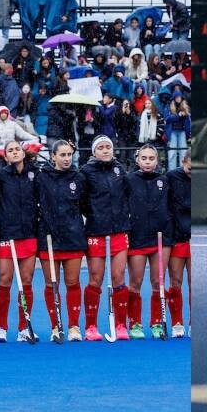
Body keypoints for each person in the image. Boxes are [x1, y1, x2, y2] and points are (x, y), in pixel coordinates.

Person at [35, 140, 87, 341]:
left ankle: (74, 326)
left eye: (69, 155)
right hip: (48, 237)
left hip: (72, 237)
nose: (66, 159)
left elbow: (85, 206)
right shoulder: (41, 177)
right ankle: (55, 326)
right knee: (51, 285)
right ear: (53, 156)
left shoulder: (79, 178)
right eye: (62, 155)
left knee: (72, 282)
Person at [81, 135, 131, 341]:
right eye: (100, 148)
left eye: (108, 147)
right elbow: (82, 201)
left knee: (119, 277)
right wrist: (95, 215)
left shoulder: (120, 170)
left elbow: (127, 196)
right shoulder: (86, 172)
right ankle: (90, 327)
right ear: (94, 152)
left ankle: (121, 324)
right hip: (96, 232)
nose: (105, 150)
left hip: (119, 231)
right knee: (96, 278)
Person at [125, 145, 173, 340]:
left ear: (157, 160)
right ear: (137, 160)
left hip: (161, 238)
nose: (147, 161)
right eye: (143, 158)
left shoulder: (164, 180)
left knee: (158, 282)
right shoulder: (128, 180)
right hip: (137, 238)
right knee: (135, 282)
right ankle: (134, 323)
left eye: (151, 158)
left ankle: (156, 323)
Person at [0, 141, 39, 342]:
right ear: (5, 156)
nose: (14, 152)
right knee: (4, 280)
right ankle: (1, 328)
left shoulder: (35, 174)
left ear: (22, 153)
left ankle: (23, 328)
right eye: (10, 150)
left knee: (26, 282)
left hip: (29, 233)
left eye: (16, 149)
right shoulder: (0, 176)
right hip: (7, 235)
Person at [167, 149, 192, 338]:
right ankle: (177, 322)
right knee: (175, 282)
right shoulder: (171, 178)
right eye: (190, 168)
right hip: (177, 238)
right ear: (183, 161)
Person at [164, 92, 191, 170]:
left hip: (182, 132)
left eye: (179, 97)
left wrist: (188, 133)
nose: (178, 99)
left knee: (183, 153)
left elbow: (188, 122)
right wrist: (178, 116)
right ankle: (172, 172)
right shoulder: (169, 106)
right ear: (174, 98)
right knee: (172, 153)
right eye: (177, 97)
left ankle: (183, 171)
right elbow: (167, 119)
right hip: (172, 132)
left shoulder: (185, 107)